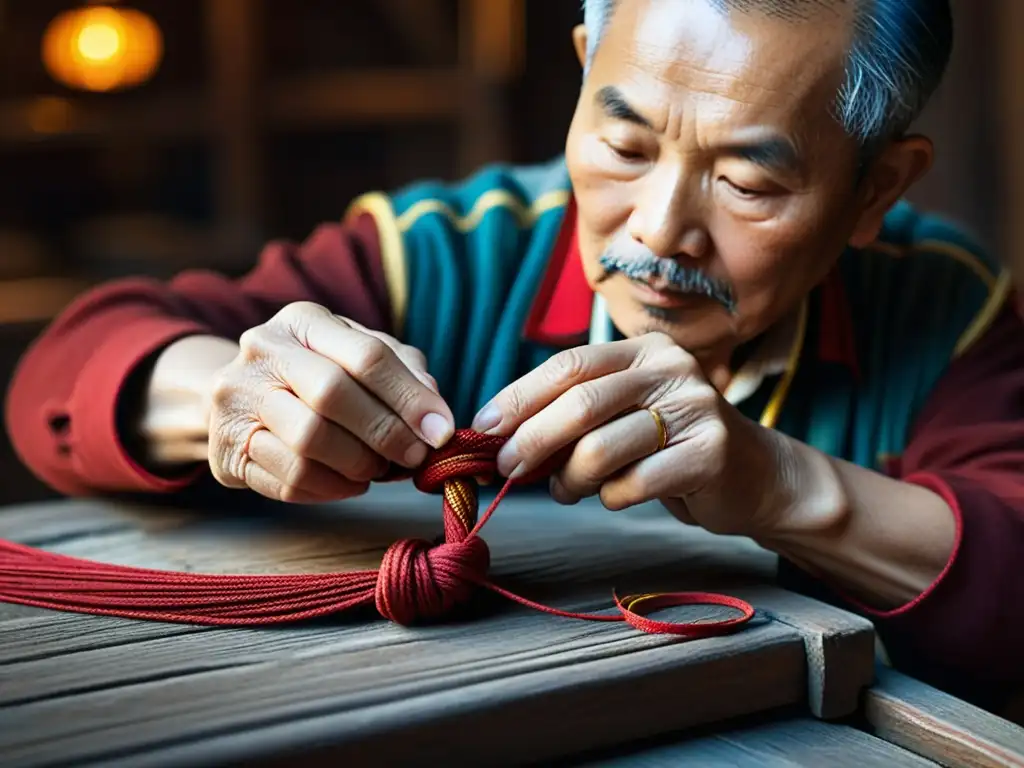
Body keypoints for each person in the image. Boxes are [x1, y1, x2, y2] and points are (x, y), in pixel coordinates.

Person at [6, 0, 1023, 711]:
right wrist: (224, 394)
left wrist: (777, 482)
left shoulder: (947, 310)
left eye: (749, 184)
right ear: (585, 74)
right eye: (624, 146)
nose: (660, 230)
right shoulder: (446, 253)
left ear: (877, 189)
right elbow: (74, 367)